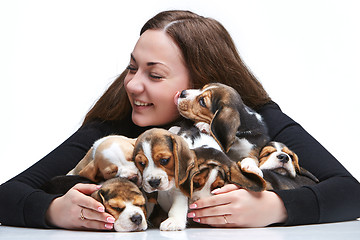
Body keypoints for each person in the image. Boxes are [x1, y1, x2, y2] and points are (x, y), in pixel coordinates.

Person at [0, 10, 359, 230]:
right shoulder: (111, 132)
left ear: (201, 86)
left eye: (155, 75)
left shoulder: (255, 120)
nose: (133, 84)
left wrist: (276, 208)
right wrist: (51, 211)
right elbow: (8, 195)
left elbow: (350, 190)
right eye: (132, 67)